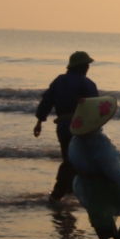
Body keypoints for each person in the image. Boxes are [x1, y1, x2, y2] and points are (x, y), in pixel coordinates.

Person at [66, 95, 120, 239]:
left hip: (84, 185)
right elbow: (114, 173)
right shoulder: (100, 140)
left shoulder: (75, 140)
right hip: (104, 186)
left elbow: (93, 163)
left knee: (103, 218)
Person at [33, 51, 98, 200]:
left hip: (62, 127)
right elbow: (95, 108)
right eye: (87, 64)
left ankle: (68, 193)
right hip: (81, 128)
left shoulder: (59, 81)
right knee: (74, 162)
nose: (88, 67)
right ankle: (58, 194)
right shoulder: (86, 83)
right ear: (82, 66)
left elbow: (46, 101)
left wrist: (39, 121)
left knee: (69, 159)